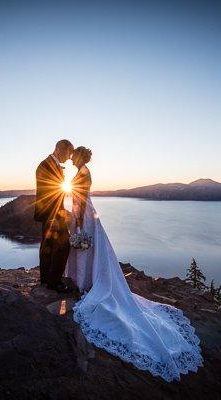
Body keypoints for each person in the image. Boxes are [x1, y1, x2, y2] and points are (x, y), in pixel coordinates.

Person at [65, 146, 203, 381]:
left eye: (73, 157)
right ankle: (86, 282)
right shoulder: (84, 170)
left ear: (79, 157)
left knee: (86, 248)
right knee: (91, 251)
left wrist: (76, 221)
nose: (71, 160)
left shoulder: (82, 172)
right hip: (85, 213)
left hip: (84, 214)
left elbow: (79, 195)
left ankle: (85, 284)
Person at [34, 139, 74, 293]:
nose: (70, 158)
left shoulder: (49, 164)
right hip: (53, 214)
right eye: (69, 153)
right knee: (63, 246)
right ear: (59, 149)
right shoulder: (47, 165)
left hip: (51, 213)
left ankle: (46, 279)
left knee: (48, 246)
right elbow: (49, 194)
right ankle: (55, 282)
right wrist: (56, 217)